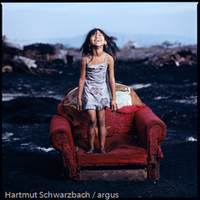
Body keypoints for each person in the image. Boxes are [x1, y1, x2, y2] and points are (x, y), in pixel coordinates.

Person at [76, 28, 117, 154]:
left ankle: (102, 148)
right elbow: (82, 79)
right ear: (89, 42)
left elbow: (111, 79)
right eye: (94, 35)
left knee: (101, 121)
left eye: (100, 35)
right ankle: (91, 148)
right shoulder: (85, 59)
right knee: (92, 121)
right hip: (89, 92)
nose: (97, 36)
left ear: (105, 42)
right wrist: (78, 99)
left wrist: (113, 99)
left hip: (103, 92)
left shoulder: (109, 58)